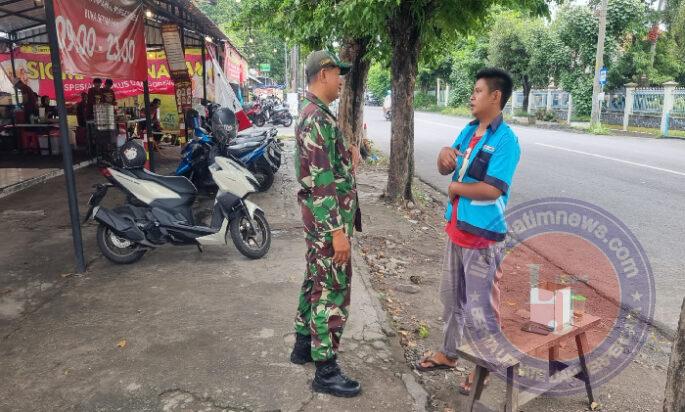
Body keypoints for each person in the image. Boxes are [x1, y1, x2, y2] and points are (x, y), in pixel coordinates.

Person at [415, 68, 521, 395]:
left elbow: (493, 189)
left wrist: (456, 188)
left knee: (481, 309)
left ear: (495, 97)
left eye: (477, 91)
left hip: (482, 239)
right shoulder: (469, 130)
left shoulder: (506, 140)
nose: (472, 97)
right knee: (451, 300)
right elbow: (447, 165)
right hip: (456, 231)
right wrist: (443, 156)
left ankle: (483, 369)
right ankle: (448, 354)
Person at [289, 50, 362, 398]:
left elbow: (329, 170)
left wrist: (349, 159)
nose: (341, 80)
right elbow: (321, 182)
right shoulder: (316, 118)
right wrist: (337, 233)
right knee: (330, 292)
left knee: (314, 282)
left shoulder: (315, 115)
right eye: (338, 73)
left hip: (319, 222)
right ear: (322, 74)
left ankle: (303, 345)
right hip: (327, 225)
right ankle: (325, 368)